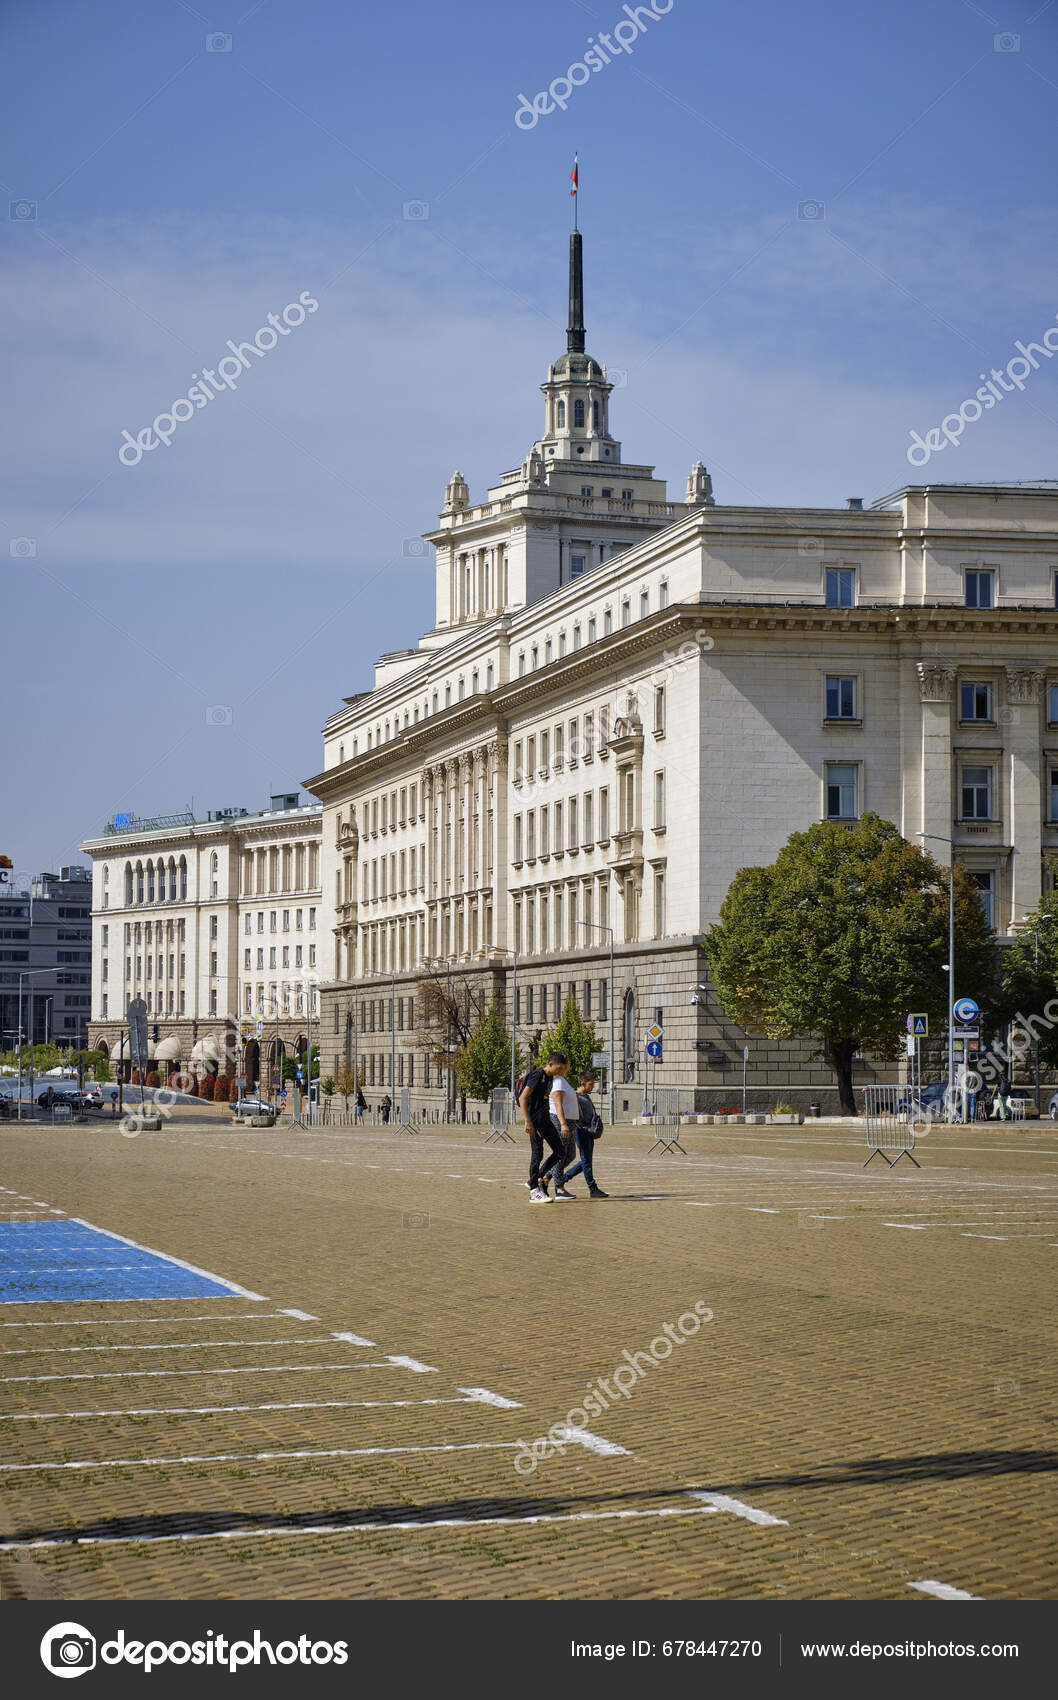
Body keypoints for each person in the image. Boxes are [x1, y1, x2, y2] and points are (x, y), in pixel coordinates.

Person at [519, 1051, 569, 1203]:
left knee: (560, 1151)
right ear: (551, 1064)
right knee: (537, 1153)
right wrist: (527, 1121)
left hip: (545, 1118)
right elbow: (523, 1097)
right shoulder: (538, 1075)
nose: (560, 1072)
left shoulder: (550, 1077)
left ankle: (536, 1178)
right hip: (534, 1120)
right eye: (559, 1068)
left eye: (562, 1069)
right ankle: (534, 1190)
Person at [562, 1072, 609, 1198]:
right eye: (591, 1084)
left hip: (589, 1132)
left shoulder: (586, 1096)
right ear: (583, 1083)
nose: (592, 1087)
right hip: (582, 1132)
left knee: (585, 1162)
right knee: (586, 1162)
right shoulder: (576, 1097)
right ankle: (593, 1189)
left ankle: (559, 1178)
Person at [545, 1064, 582, 1199]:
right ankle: (559, 1188)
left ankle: (546, 1176)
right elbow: (558, 1103)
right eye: (567, 1065)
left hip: (569, 1122)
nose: (568, 1067)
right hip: (562, 1121)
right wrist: (563, 1124)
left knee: (571, 1154)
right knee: (560, 1154)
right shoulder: (558, 1082)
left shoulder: (562, 1081)